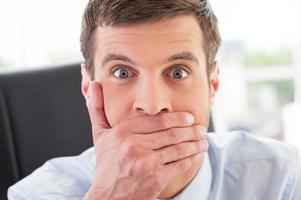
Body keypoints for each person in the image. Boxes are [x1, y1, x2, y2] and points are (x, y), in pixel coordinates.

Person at [7, 0, 301, 199]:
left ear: (212, 83)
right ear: (88, 88)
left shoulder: (283, 180)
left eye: (178, 72)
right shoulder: (37, 194)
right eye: (122, 72)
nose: (151, 104)